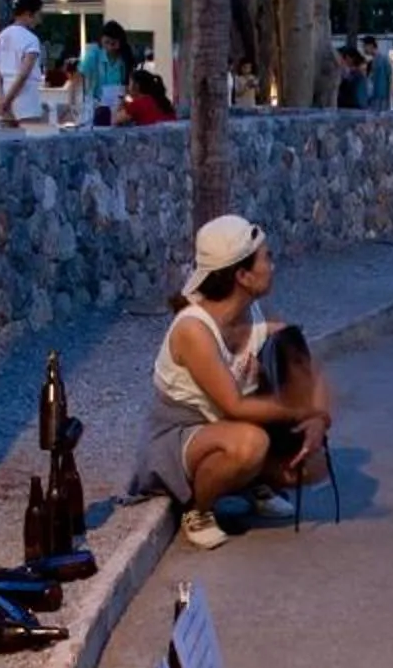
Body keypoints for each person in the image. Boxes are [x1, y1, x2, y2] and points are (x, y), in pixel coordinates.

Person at [132, 216, 334, 550]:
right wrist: (298, 408)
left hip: (232, 425)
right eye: (266, 258)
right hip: (182, 433)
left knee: (313, 464)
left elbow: (310, 368)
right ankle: (198, 510)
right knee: (248, 445)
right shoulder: (194, 330)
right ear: (242, 275)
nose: (272, 265)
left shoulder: (255, 311)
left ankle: (250, 483)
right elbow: (233, 405)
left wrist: (317, 418)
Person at [0, 0, 47, 125]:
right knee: (29, 143)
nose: (39, 20)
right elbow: (23, 75)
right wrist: (7, 101)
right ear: (28, 14)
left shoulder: (0, 37)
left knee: (8, 143)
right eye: (38, 15)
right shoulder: (31, 40)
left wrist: (2, 101)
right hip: (27, 102)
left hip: (5, 99)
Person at [81, 21, 132, 128]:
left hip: (118, 105)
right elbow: (81, 74)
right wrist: (74, 101)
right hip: (98, 104)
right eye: (106, 43)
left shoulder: (125, 56)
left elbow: (128, 83)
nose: (109, 47)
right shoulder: (95, 52)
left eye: (113, 43)